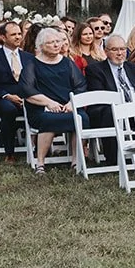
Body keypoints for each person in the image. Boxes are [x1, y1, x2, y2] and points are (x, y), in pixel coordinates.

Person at [21, 27, 89, 174]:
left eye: (58, 41)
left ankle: (76, 162)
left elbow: (81, 85)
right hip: (41, 108)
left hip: (67, 106)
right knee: (49, 119)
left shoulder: (67, 63)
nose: (56, 45)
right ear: (41, 46)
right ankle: (40, 163)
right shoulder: (32, 64)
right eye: (51, 42)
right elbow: (27, 90)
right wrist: (49, 103)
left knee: (81, 118)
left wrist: (72, 103)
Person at [0, 20, 30, 161]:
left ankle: (39, 149)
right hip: (1, 99)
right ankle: (9, 152)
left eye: (19, 34)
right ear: (3, 37)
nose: (18, 37)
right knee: (9, 109)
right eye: (13, 34)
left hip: (25, 98)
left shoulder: (29, 58)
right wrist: (7, 96)